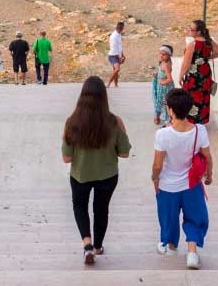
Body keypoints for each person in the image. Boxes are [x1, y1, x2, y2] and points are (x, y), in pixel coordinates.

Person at [62, 76, 132, 266]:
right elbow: (125, 153)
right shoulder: (115, 122)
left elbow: (67, 158)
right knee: (101, 210)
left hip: (80, 175)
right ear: (104, 97)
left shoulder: (71, 122)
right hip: (108, 176)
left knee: (80, 207)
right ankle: (98, 247)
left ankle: (87, 244)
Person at [152, 88, 213, 269]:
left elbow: (157, 165)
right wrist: (209, 175)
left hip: (168, 186)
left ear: (170, 110)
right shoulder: (199, 131)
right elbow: (208, 157)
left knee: (169, 218)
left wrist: (154, 178)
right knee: (195, 217)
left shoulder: (162, 134)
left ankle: (170, 247)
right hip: (192, 185)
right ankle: (192, 254)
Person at [180, 20, 218, 124]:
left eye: (192, 29)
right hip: (205, 73)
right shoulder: (209, 41)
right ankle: (201, 121)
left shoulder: (193, 45)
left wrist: (180, 76)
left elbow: (186, 64)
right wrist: (207, 58)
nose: (189, 30)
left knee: (191, 97)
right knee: (203, 96)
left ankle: (191, 122)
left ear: (199, 32)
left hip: (194, 76)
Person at [152, 45, 176, 125]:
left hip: (165, 88)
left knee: (165, 103)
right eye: (160, 54)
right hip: (161, 87)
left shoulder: (166, 65)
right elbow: (160, 70)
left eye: (164, 54)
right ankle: (157, 116)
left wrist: (161, 82)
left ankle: (168, 119)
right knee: (159, 102)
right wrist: (157, 73)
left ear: (169, 55)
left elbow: (170, 79)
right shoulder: (163, 61)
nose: (161, 56)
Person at [106, 21, 125, 88]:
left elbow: (119, 46)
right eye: (121, 28)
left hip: (117, 55)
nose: (122, 29)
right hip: (113, 55)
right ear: (119, 27)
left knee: (116, 70)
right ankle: (108, 84)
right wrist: (119, 58)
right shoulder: (113, 37)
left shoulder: (119, 34)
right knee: (117, 69)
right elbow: (114, 49)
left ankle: (116, 84)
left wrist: (123, 55)